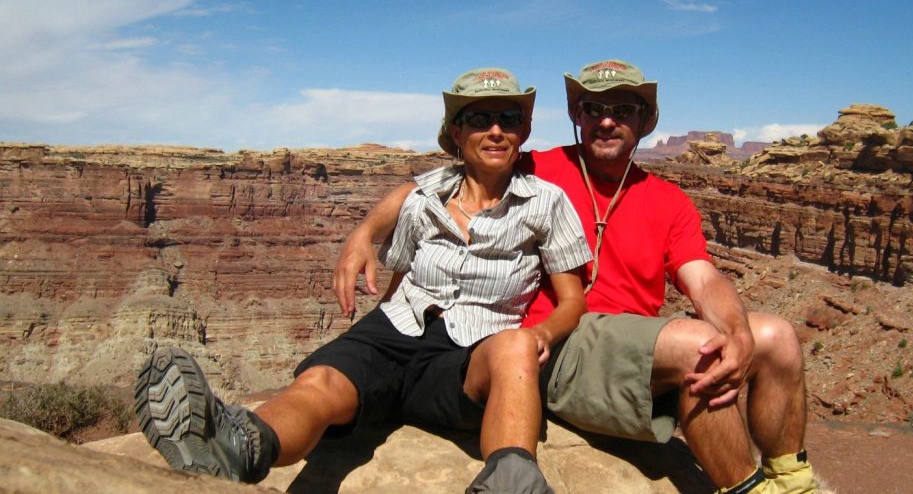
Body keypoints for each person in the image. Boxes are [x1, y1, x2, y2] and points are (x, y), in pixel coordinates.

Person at [335, 60, 817, 494]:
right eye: (592, 108)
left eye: (623, 109)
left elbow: (704, 279)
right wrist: (364, 233)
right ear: (576, 115)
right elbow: (430, 185)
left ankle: (791, 480)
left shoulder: (670, 200)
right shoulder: (536, 166)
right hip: (557, 344)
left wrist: (736, 329)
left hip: (626, 347)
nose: (606, 120)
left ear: (645, 122)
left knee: (777, 338)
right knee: (699, 347)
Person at [136, 67, 592, 492]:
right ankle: (236, 445)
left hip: (469, 356)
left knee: (515, 346)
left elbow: (573, 301)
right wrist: (362, 238)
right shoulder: (424, 196)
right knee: (322, 382)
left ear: (524, 131)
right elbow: (401, 270)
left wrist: (541, 334)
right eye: (480, 118)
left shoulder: (546, 203)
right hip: (398, 329)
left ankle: (512, 479)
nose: (495, 130)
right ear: (457, 132)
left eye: (509, 118)